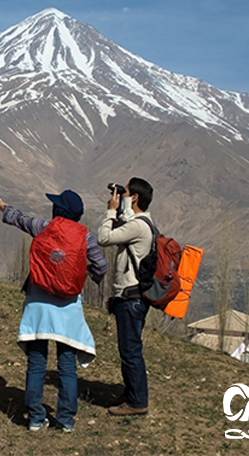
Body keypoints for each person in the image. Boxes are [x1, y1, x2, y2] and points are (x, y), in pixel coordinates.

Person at [0, 187, 107, 432]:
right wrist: (83, 273)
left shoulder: (44, 227)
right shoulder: (85, 238)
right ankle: (65, 420)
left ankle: (35, 417)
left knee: (37, 362)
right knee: (67, 365)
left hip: (39, 303)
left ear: (58, 211)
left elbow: (18, 218)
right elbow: (101, 266)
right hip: (68, 306)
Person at [96, 177, 154, 416]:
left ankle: (137, 402)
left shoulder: (138, 226)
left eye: (127, 192)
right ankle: (131, 392)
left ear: (135, 197)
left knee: (130, 351)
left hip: (131, 298)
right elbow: (127, 221)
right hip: (133, 296)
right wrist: (123, 206)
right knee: (128, 349)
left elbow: (104, 238)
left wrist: (111, 211)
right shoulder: (142, 222)